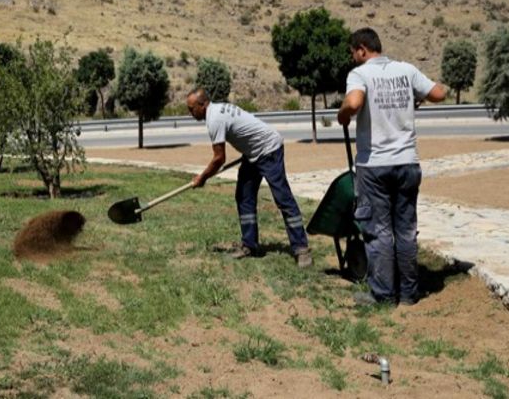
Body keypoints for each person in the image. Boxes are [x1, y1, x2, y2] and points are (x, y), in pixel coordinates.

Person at [337, 28, 447, 306]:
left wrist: (343, 114)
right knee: (406, 231)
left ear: (362, 49)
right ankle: (409, 294)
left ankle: (384, 295)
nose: (353, 58)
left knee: (379, 232)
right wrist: (414, 99)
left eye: (353, 53)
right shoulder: (405, 70)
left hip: (375, 165)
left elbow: (354, 101)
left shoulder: (360, 74)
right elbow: (439, 93)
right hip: (407, 163)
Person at [187, 88, 312, 266]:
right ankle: (249, 245)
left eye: (192, 109)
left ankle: (301, 248)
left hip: (268, 150)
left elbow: (219, 159)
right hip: (252, 154)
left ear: (203, 104)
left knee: (282, 198)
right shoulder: (216, 110)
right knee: (244, 196)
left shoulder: (214, 119)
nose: (190, 113)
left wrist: (203, 178)